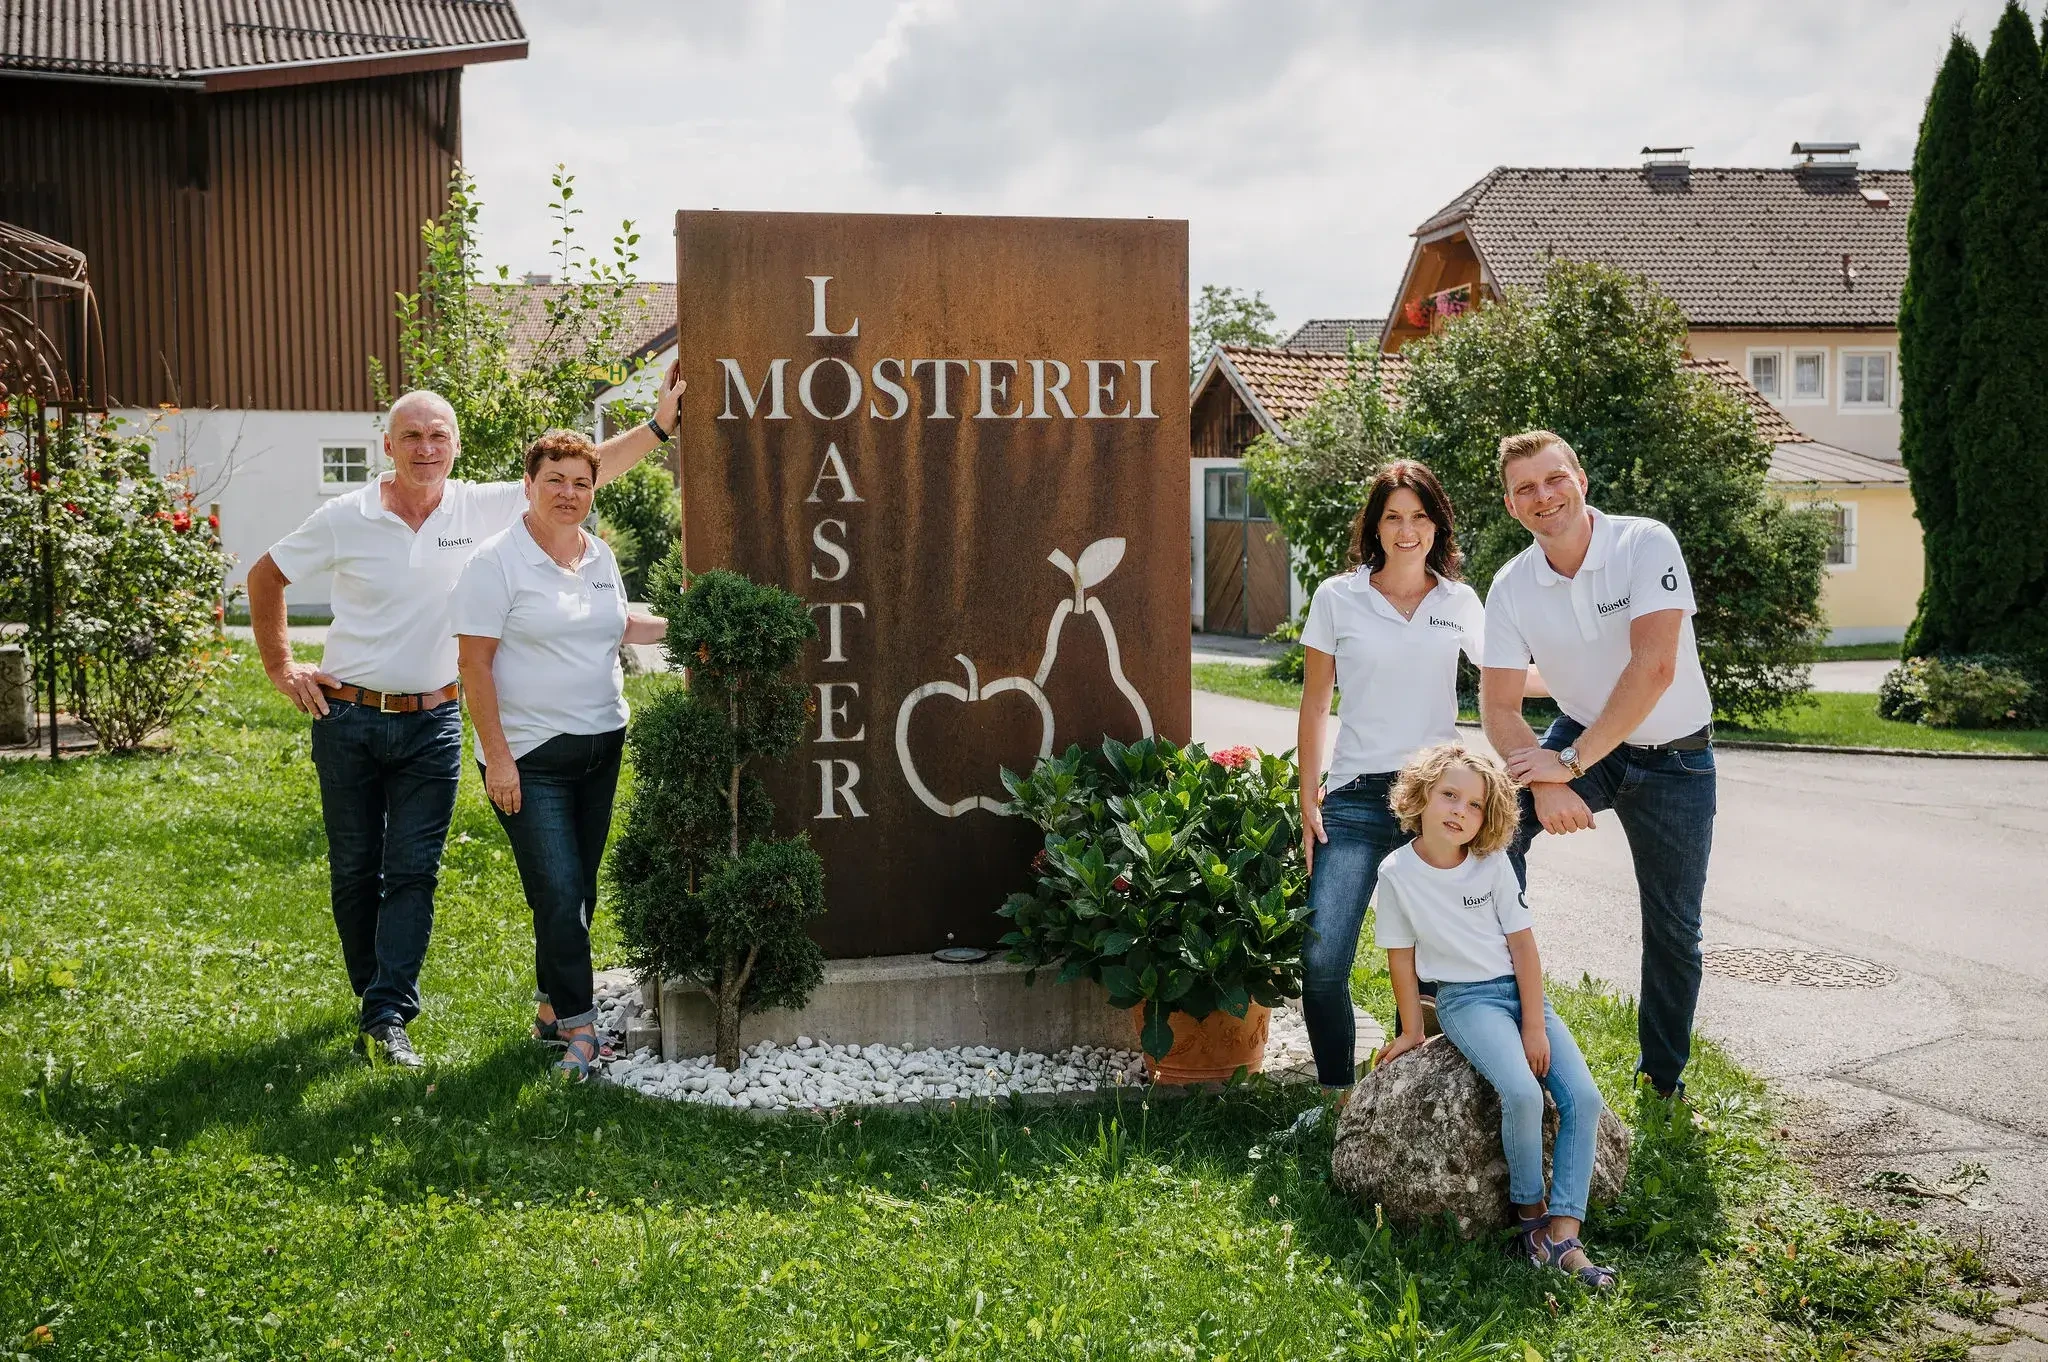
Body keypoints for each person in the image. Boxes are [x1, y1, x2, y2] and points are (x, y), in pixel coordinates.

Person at [246, 367, 686, 1067]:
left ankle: (389, 1013)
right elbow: (266, 575)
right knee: (357, 870)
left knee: (414, 870)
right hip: (350, 716)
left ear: (455, 446)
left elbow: (583, 478)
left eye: (438, 436)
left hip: (434, 721)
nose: (426, 448)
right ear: (388, 446)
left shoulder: (478, 509)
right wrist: (281, 666)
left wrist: (660, 427)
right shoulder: (346, 517)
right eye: (412, 437)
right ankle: (376, 995)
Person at [1478, 430, 1715, 1100]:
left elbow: (1655, 668)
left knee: (1674, 930)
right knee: (1489, 834)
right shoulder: (1512, 585)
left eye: (1554, 479)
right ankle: (1492, 1016)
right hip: (1579, 738)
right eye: (1526, 488)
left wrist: (1569, 765)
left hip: (1677, 759)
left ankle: (1660, 1080)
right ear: (1511, 506)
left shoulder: (1644, 543)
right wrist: (1546, 778)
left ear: (1580, 478)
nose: (1543, 496)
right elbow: (1495, 705)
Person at [453, 430, 667, 1080]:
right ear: (529, 484)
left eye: (580, 482)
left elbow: (620, 624)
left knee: (576, 893)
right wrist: (500, 759)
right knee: (561, 895)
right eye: (556, 480)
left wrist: (692, 622)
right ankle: (582, 1034)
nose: (568, 494)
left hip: (602, 748)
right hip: (530, 759)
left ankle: (551, 1008)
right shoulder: (495, 564)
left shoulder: (598, 555)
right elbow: (474, 667)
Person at [1372, 743, 1616, 1291]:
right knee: (1524, 1094)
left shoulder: (1492, 861)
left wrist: (1534, 1022)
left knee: (1584, 1097)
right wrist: (1413, 1029)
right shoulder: (1396, 872)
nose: (1460, 811)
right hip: (1465, 1001)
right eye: (1449, 795)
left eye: (1476, 804)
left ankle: (1565, 1233)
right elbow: (1401, 956)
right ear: (1421, 796)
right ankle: (1531, 1222)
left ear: (1490, 815)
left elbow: (1524, 949)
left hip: (1522, 994)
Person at [1296, 460, 1484, 1100]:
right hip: (1353, 799)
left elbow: (1509, 675)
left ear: (1438, 525)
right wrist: (1307, 799)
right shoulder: (1336, 597)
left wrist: (1595, 683)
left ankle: (1430, 1099)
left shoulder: (1459, 602)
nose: (1408, 531)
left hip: (1434, 802)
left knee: (1444, 968)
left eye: (1420, 517)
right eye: (1394, 517)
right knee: (1322, 966)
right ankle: (1336, 1099)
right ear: (1376, 527)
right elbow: (1316, 702)